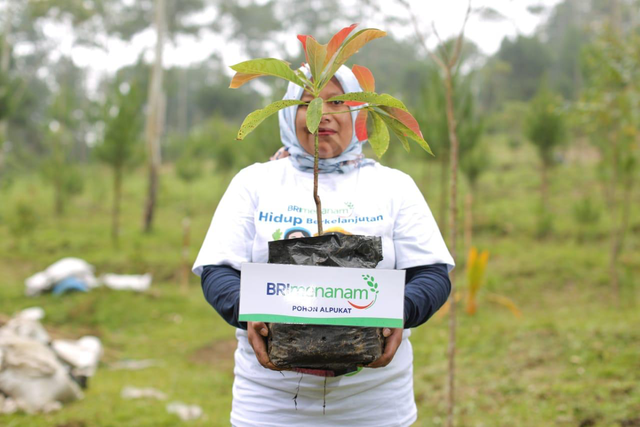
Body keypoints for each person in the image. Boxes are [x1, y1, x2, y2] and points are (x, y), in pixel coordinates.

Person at [193, 65, 454, 427]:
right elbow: (218, 270)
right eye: (307, 103)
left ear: (359, 112)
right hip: (271, 402)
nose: (324, 114)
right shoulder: (255, 183)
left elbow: (433, 274)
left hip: (374, 401)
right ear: (288, 113)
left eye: (339, 101)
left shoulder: (394, 187)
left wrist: (399, 313)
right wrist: (249, 311)